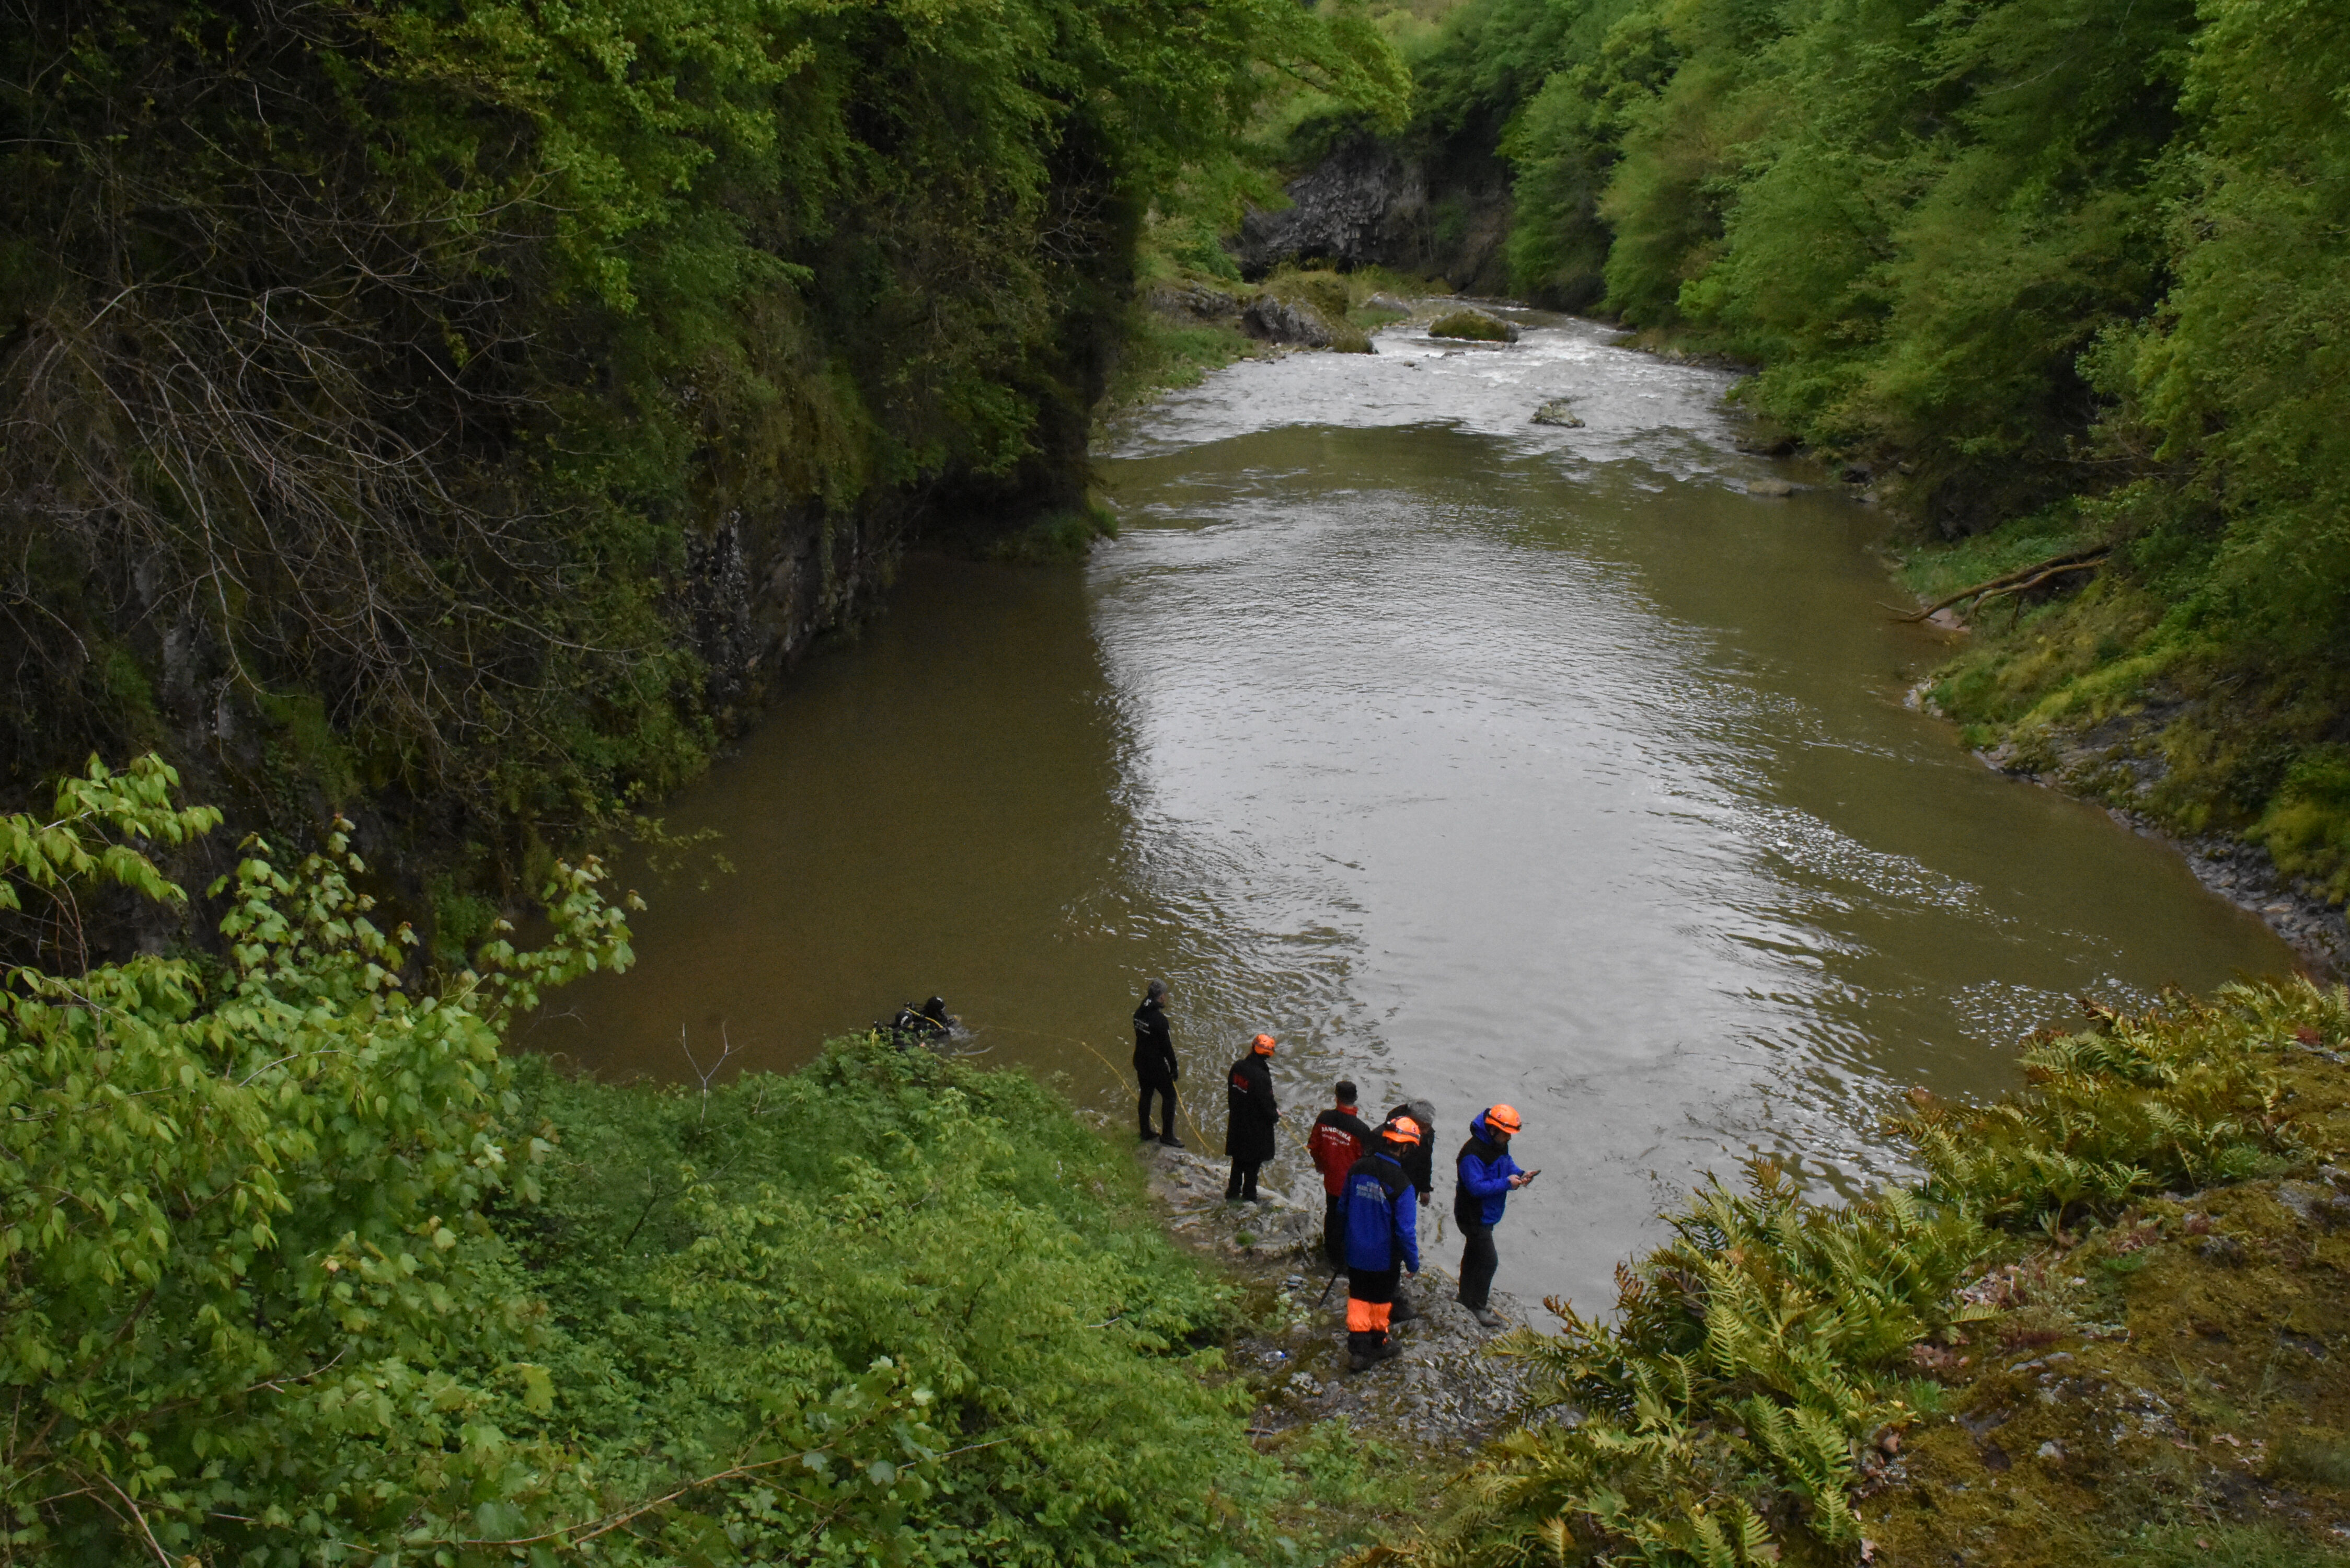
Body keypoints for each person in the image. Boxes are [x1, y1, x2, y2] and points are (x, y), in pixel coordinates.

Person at [1341, 1116, 1423, 1371]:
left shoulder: (1357, 1168)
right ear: (1405, 1148)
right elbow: (1405, 1231)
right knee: (1380, 1302)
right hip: (1383, 1257)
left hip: (1355, 1251)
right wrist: (1413, 1262)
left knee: (1358, 1298)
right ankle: (1377, 1344)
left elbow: (1342, 1209)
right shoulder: (1403, 1184)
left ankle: (1357, 1348)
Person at [1454, 1103, 1530, 1329]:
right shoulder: (1472, 1154)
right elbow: (1476, 1187)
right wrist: (1507, 1184)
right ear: (1493, 1130)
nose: (1509, 1138)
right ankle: (1477, 1305)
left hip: (1485, 1214)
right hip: (1473, 1215)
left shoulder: (1498, 1146)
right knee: (1488, 1261)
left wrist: (1520, 1174)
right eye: (1506, 1134)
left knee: (1473, 1255)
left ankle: (1465, 1297)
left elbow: (1507, 1165)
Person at [1381, 1097, 1437, 1322]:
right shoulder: (1391, 1129)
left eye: (1427, 1129)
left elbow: (1426, 1161)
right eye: (1422, 1129)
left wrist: (1425, 1188)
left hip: (1410, 1186)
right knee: (1395, 1237)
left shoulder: (1428, 1134)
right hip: (1393, 1185)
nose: (1425, 1133)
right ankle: (1392, 1298)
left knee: (1402, 1228)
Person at [1307, 1081, 1372, 1268]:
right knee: (1349, 1220)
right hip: (1351, 1186)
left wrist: (1320, 1165)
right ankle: (1343, 1260)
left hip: (1331, 1180)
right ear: (1356, 1099)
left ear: (1336, 1098)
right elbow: (1367, 1162)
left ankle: (1330, 1253)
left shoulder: (1324, 1118)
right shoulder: (1361, 1130)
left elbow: (1314, 1146)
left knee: (1332, 1214)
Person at [1224, 1033, 1281, 1201]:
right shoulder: (1262, 1076)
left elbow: (1231, 1090)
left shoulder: (1238, 1067)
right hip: (1255, 1128)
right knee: (1253, 1165)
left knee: (1237, 1160)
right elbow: (1266, 1103)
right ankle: (1249, 1195)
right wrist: (1275, 1115)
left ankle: (1233, 1191)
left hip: (1237, 1120)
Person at [1133, 980, 1181, 1146]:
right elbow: (1167, 1048)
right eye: (1164, 995)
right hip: (1155, 1066)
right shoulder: (1160, 1021)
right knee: (1170, 1096)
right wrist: (1174, 1066)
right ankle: (1167, 1136)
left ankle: (1145, 1131)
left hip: (1140, 1061)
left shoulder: (1140, 1012)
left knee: (1146, 1094)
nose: (1165, 998)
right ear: (1160, 998)